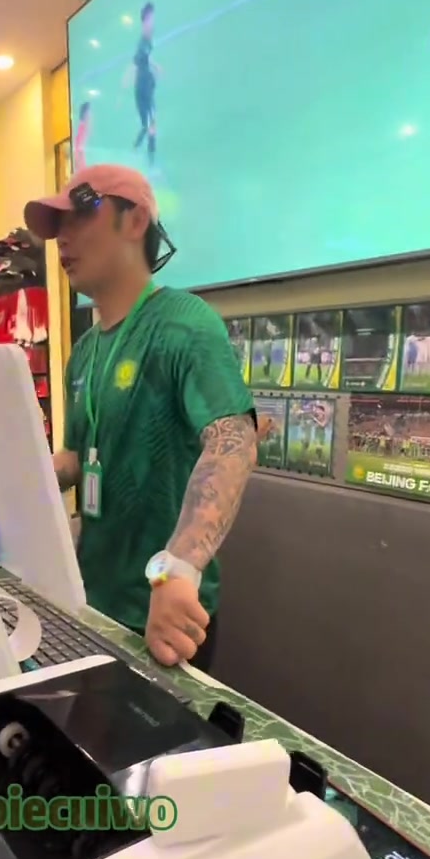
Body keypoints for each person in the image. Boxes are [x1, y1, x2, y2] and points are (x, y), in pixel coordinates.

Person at [24, 164, 256, 672]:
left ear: (135, 221)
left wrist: (180, 568)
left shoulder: (183, 323)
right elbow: (77, 458)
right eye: (56, 226)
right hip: (92, 600)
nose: (62, 238)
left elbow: (233, 441)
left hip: (164, 613)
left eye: (78, 217)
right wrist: (10, 480)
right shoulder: (85, 352)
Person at [126, 2, 160, 167]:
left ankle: (136, 150)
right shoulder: (143, 41)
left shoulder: (147, 40)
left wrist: (155, 66)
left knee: (148, 125)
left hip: (145, 85)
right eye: (151, 18)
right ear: (145, 20)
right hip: (144, 86)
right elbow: (136, 61)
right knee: (151, 124)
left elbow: (143, 58)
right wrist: (128, 77)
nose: (153, 22)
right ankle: (150, 161)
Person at [74, 102, 92, 173]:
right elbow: (78, 145)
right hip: (79, 153)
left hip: (80, 153)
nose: (90, 115)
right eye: (88, 113)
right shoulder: (82, 127)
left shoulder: (83, 126)